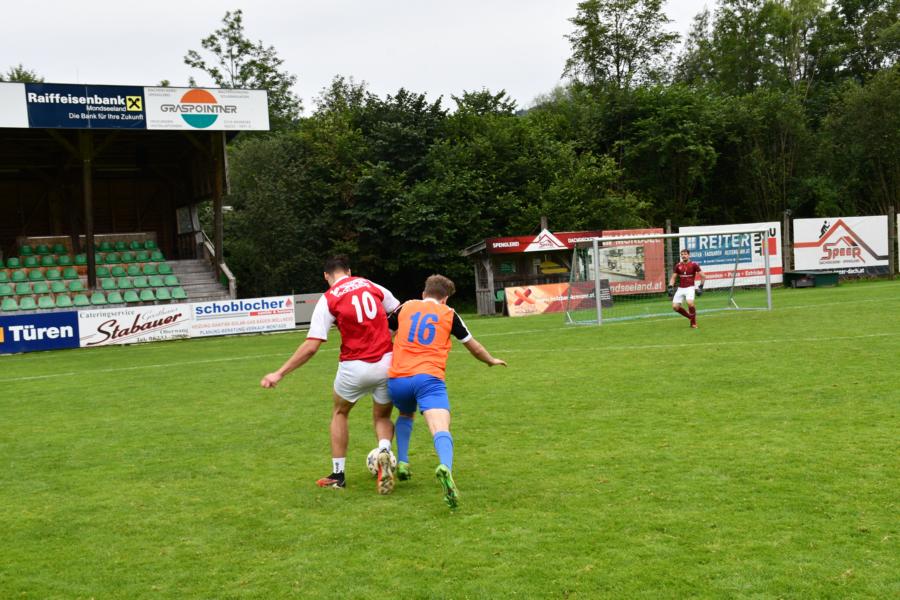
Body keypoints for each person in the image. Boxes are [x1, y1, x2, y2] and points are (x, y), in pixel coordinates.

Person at [260, 256, 400, 493]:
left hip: (354, 366)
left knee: (340, 412)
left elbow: (312, 345)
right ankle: (384, 451)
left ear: (326, 276)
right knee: (382, 416)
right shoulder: (370, 285)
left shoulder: (329, 298)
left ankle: (338, 475)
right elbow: (399, 311)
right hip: (387, 362)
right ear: (349, 271)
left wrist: (279, 373)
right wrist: (391, 335)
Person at [387, 274, 506, 509]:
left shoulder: (406, 306)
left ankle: (402, 462)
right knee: (440, 427)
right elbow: (473, 346)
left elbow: (385, 333)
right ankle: (445, 468)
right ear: (445, 299)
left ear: (424, 293)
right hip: (428, 378)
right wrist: (490, 360)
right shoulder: (449, 314)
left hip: (398, 378)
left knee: (405, 414)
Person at [668, 248, 705, 328]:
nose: (683, 256)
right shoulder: (678, 265)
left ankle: (693, 323)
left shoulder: (694, 264)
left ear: (689, 255)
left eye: (685, 254)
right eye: (682, 254)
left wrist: (701, 287)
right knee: (675, 307)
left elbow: (703, 276)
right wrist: (670, 287)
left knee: (690, 303)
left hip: (690, 288)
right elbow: (673, 277)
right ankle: (690, 317)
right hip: (680, 288)